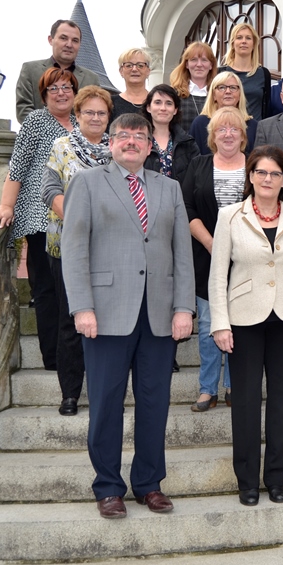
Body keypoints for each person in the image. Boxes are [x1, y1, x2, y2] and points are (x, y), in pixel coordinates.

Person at [61, 113, 195, 519]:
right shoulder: (86, 182)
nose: (133, 141)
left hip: (157, 315)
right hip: (105, 314)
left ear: (150, 145)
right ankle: (108, 487)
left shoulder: (169, 188)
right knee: (105, 403)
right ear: (111, 141)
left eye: (140, 135)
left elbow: (181, 253)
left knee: (155, 403)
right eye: (125, 135)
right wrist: (82, 307)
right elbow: (74, 248)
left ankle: (149, 484)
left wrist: (183, 307)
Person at [209, 146, 283, 506]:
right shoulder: (229, 216)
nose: (267, 179)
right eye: (260, 173)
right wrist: (220, 323)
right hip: (243, 321)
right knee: (244, 401)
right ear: (250, 176)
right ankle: (247, 482)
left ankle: (276, 477)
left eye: (275, 174)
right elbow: (217, 277)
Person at [0, 67, 79, 371]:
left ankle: (75, 352)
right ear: (43, 95)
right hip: (40, 217)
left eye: (67, 87)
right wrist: (5, 205)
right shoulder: (36, 121)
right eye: (54, 89)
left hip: (78, 217)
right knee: (45, 289)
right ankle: (53, 358)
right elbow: (18, 166)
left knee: (74, 286)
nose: (62, 92)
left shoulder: (84, 122)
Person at [40, 85, 112, 416]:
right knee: (70, 321)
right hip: (67, 245)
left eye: (101, 113)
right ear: (77, 115)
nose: (95, 118)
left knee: (106, 323)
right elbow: (50, 188)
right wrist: (79, 222)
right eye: (89, 112)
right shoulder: (62, 146)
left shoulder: (118, 149)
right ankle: (70, 393)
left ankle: (102, 392)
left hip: (111, 251)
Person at [181, 108, 250, 413]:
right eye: (221, 130)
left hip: (249, 258)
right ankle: (207, 388)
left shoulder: (255, 166)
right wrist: (213, 244)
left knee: (241, 322)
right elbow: (187, 209)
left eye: (234, 129)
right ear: (211, 136)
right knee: (210, 323)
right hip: (207, 256)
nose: (228, 135)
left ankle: (236, 385)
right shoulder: (198, 165)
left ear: (243, 136)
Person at [15, 19, 99, 123]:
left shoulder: (91, 79)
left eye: (75, 40)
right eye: (63, 38)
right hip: (39, 137)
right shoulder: (30, 70)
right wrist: (51, 133)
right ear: (51, 40)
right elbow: (23, 110)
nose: (69, 44)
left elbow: (94, 114)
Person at [141, 84, 200, 182]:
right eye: (158, 102)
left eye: (169, 103)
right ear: (148, 108)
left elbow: (196, 178)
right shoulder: (138, 141)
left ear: (175, 110)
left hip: (179, 196)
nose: (163, 108)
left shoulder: (188, 143)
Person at [188, 71, 256, 156]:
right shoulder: (200, 123)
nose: (228, 91)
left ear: (240, 94)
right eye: (222, 87)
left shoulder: (252, 125)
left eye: (233, 87)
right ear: (214, 95)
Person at [219, 23, 272, 122]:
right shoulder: (221, 73)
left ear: (254, 44)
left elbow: (266, 108)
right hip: (227, 130)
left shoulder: (263, 74)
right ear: (233, 43)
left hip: (256, 133)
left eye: (248, 38)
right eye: (239, 38)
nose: (244, 41)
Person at [170, 42, 216, 126]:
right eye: (194, 60)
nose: (199, 65)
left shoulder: (218, 94)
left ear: (211, 65)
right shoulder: (174, 94)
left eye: (204, 60)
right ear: (187, 64)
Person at [111, 48, 151, 119]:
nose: (134, 69)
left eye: (140, 65)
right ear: (121, 71)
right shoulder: (111, 103)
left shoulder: (157, 101)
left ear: (148, 71)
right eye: (129, 65)